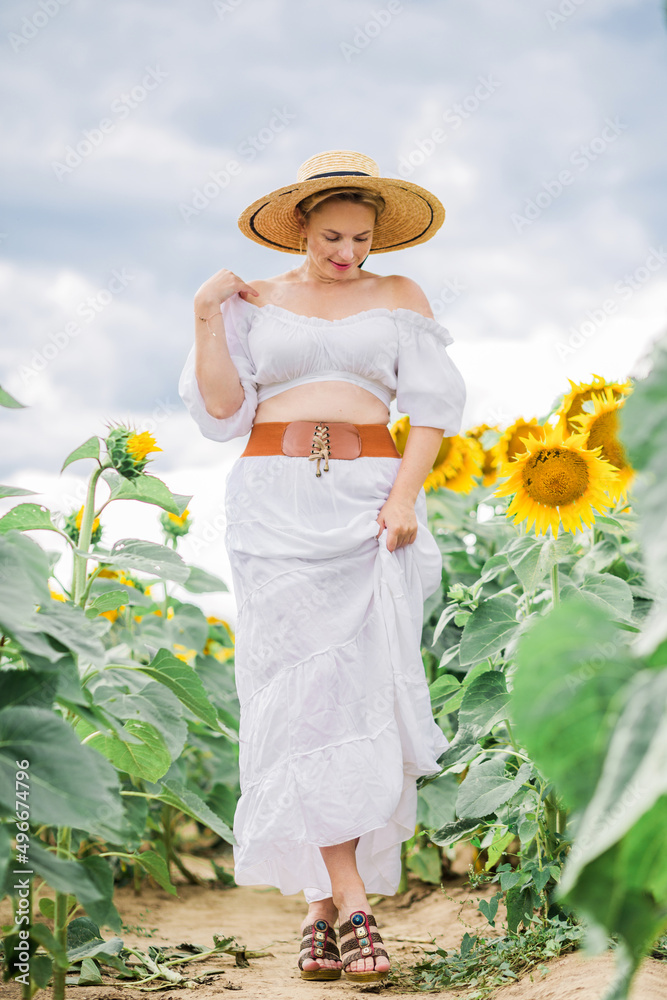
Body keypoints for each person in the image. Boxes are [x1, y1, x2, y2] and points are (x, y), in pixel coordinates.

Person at [178, 149, 466, 985]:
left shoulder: (399, 299)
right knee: (294, 693)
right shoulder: (250, 302)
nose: (349, 254)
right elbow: (223, 411)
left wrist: (405, 499)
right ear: (299, 225)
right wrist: (204, 314)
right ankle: (353, 906)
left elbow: (431, 411)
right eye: (334, 236)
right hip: (272, 508)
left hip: (367, 499)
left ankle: (320, 910)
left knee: (353, 691)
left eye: (363, 239)